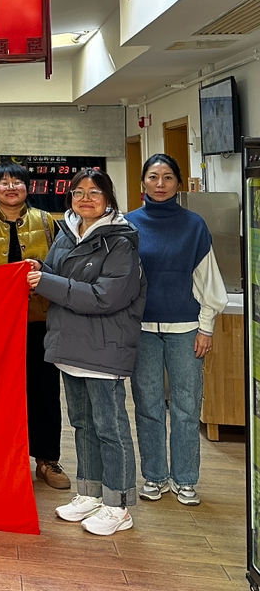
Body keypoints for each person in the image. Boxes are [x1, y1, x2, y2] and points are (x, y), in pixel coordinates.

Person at [27, 168, 146, 536]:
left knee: (111, 429)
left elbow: (105, 296)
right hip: (70, 345)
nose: (85, 199)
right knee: (83, 425)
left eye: (94, 192)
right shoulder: (67, 233)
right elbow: (58, 275)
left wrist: (46, 281)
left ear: (108, 197)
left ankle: (119, 505)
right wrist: (40, 269)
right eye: (78, 192)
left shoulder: (121, 242)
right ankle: (91, 493)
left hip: (104, 348)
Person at [125, 153, 228, 507]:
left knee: (186, 406)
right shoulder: (127, 224)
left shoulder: (194, 225)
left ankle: (185, 479)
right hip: (141, 329)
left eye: (168, 177)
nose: (160, 184)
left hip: (186, 329)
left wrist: (206, 328)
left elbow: (209, 280)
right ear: (143, 182)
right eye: (153, 177)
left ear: (179, 183)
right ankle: (154, 476)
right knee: (147, 405)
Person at [0, 162, 69, 489]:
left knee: (44, 389)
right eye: (3, 182)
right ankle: (1, 458)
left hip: (40, 319)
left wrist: (41, 266)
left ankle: (47, 459)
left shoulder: (46, 221)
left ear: (27, 187)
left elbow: (61, 266)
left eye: (17, 181)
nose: (11, 187)